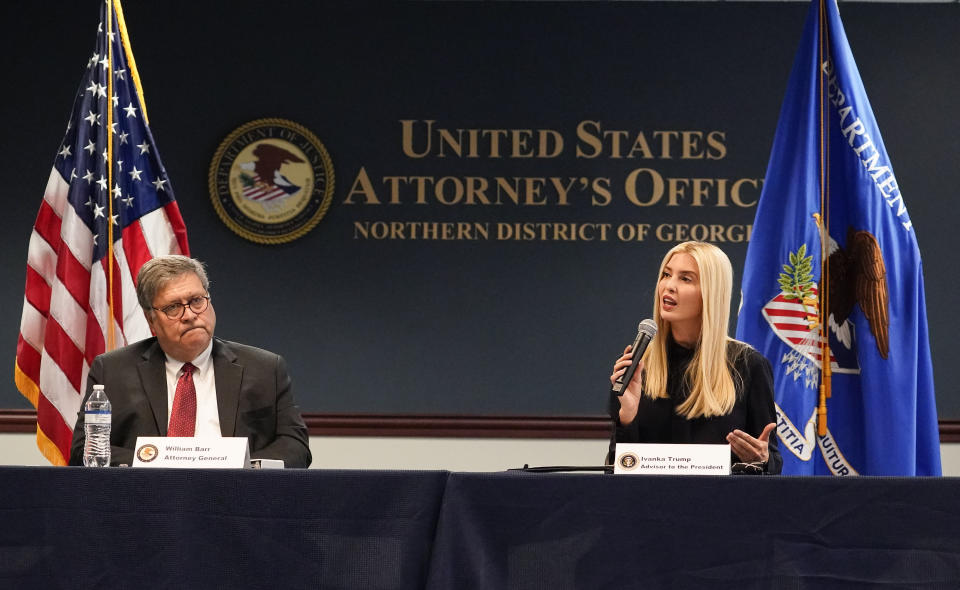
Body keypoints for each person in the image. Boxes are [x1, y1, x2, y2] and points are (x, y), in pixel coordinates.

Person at [69, 255, 312, 468]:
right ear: (151, 320)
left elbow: (295, 444)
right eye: (173, 307)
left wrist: (249, 469)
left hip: (237, 499)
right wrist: (154, 462)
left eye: (197, 300)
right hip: (147, 502)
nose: (189, 315)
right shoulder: (113, 371)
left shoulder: (264, 369)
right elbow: (84, 450)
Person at [607, 241, 782, 474]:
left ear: (711, 293)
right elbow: (614, 472)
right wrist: (627, 418)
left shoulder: (748, 365)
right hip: (649, 505)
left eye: (685, 279)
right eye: (666, 274)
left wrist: (761, 460)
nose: (668, 286)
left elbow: (771, 463)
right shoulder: (636, 366)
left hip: (720, 505)